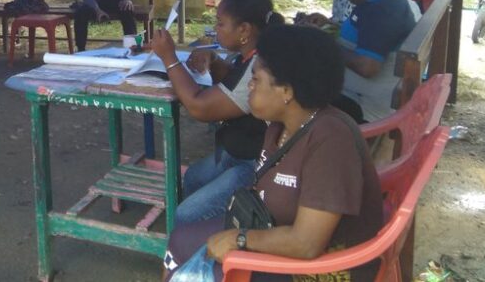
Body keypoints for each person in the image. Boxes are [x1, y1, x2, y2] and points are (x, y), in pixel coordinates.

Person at [163, 25, 382, 282]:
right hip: (272, 229)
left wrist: (240, 238)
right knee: (179, 241)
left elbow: (307, 244)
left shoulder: (330, 140)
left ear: (286, 91)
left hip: (321, 269)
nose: (250, 86)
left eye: (255, 79)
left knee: (200, 272)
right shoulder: (280, 126)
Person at [152, 0, 283, 225]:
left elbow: (200, 107)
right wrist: (214, 61)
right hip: (236, 150)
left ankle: (212, 236)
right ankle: (206, 231)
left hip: (255, 163)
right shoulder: (248, 55)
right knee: (193, 178)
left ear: (244, 30)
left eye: (221, 24)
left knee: (186, 214)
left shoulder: (259, 65)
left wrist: (169, 58)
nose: (216, 29)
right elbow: (233, 83)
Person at [338, 0, 417, 123]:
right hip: (361, 94)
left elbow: (367, 67)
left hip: (361, 107)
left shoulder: (383, 12)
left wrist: (327, 45)